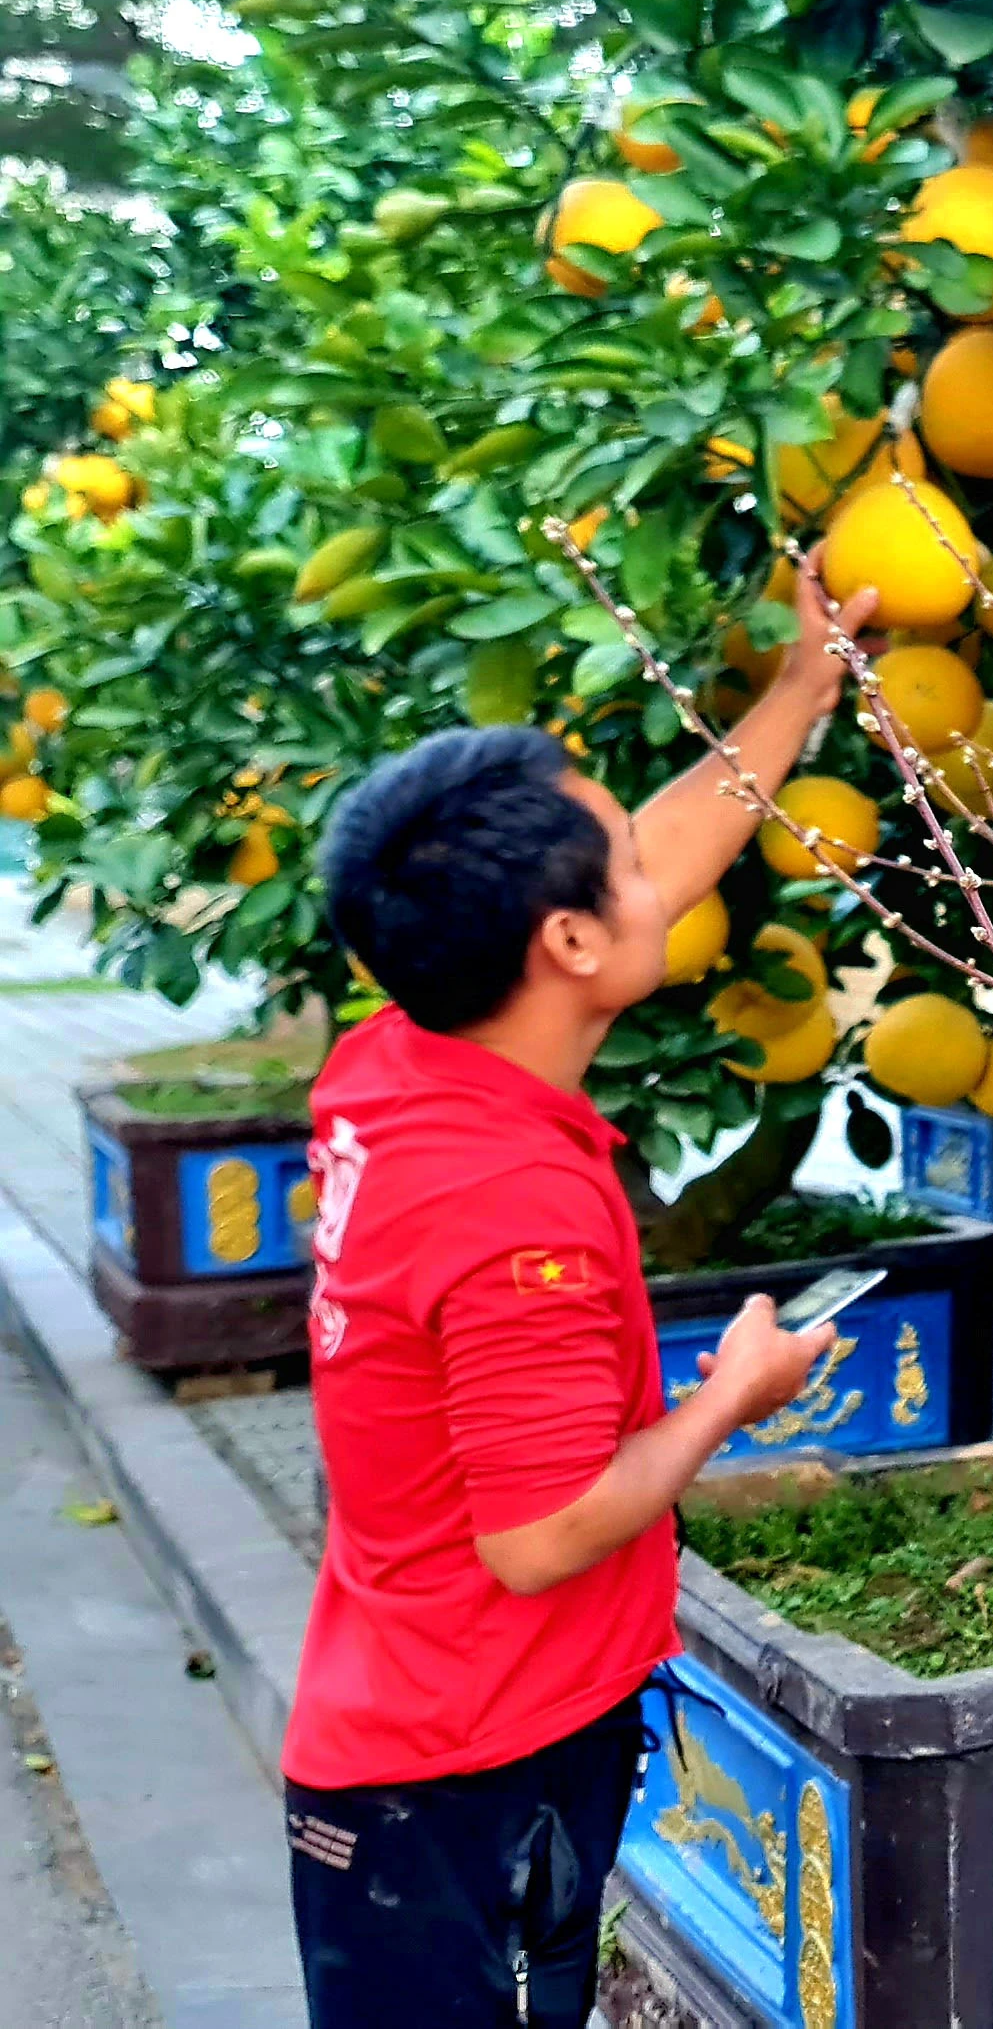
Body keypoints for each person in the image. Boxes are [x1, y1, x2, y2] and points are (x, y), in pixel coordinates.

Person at [281, 562, 879, 2028]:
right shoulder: (513, 1212)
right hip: (457, 1780)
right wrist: (731, 1402)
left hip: (422, 1718)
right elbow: (539, 1536)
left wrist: (802, 687)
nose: (652, 871)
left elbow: (661, 865)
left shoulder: (400, 1064)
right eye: (615, 861)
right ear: (564, 945)